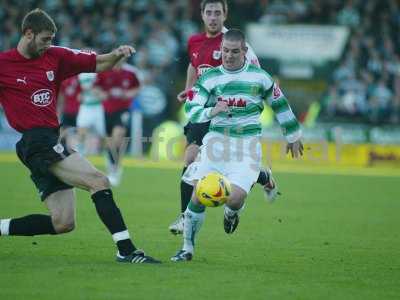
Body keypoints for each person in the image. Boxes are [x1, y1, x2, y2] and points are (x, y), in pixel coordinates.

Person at [0, 9, 160, 264]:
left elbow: (98, 63)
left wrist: (116, 54)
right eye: (44, 39)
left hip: (49, 139)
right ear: (28, 33)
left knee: (63, 222)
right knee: (99, 180)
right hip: (35, 142)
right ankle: (127, 251)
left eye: (51, 39)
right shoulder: (4, 65)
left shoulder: (56, 56)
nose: (47, 45)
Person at [171, 29, 304, 262]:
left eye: (234, 51)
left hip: (247, 145)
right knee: (198, 195)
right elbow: (191, 108)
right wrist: (213, 110)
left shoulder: (260, 77)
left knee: (234, 198)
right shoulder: (210, 77)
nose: (229, 55)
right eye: (225, 51)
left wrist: (293, 134)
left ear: (244, 51)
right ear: (220, 50)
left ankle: (232, 213)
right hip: (216, 143)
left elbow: (280, 104)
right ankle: (187, 249)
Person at [169, 0, 277, 235]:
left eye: (218, 12)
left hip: (229, 115)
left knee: (217, 160)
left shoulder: (235, 44)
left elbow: (256, 73)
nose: (213, 17)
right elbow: (193, 66)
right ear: (202, 15)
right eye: (209, 12)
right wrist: (190, 92)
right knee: (189, 159)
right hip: (204, 110)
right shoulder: (194, 41)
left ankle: (258, 176)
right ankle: (184, 217)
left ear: (225, 15)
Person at [95, 59, 141, 186]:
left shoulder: (130, 72)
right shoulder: (104, 71)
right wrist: (101, 94)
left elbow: (137, 88)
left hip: (123, 110)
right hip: (106, 110)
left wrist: (129, 94)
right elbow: (95, 88)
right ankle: (112, 164)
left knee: (118, 137)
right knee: (110, 141)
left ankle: (114, 169)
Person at [76, 72, 105, 155]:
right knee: (81, 131)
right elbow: (76, 92)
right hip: (85, 107)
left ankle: (106, 153)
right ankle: (80, 154)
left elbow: (104, 90)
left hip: (98, 106)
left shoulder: (99, 72)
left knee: (102, 134)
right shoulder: (80, 74)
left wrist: (98, 92)